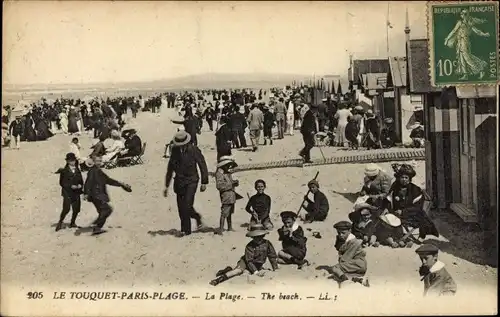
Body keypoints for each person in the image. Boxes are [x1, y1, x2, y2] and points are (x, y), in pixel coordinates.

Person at [164, 131, 209, 236]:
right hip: (179, 181)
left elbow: (202, 164)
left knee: (187, 205)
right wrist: (166, 185)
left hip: (192, 180)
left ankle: (193, 222)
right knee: (181, 206)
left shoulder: (194, 150)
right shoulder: (174, 150)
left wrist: (204, 181)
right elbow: (170, 169)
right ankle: (185, 229)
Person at [209, 224, 279, 286]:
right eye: (255, 237)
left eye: (260, 237)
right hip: (245, 263)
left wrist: (275, 268)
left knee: (246, 274)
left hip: (257, 265)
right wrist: (256, 272)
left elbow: (272, 256)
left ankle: (228, 269)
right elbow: (249, 261)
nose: (258, 239)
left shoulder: (267, 244)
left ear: (263, 235)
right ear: (252, 237)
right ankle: (218, 280)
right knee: (237, 271)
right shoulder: (250, 246)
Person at [386, 164, 439, 241]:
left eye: (406, 178)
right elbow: (389, 199)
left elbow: (418, 207)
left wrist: (403, 211)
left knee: (421, 215)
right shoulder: (395, 187)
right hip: (396, 212)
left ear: (410, 179)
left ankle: (422, 235)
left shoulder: (415, 190)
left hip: (411, 214)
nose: (404, 179)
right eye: (402, 177)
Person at [83, 155, 132, 235]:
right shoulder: (93, 171)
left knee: (102, 211)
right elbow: (88, 182)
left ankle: (96, 225)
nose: (99, 162)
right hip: (97, 195)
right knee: (107, 210)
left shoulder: (98, 170)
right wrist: (86, 193)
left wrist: (120, 184)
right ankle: (97, 227)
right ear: (93, 162)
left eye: (100, 161)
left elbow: (108, 180)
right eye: (97, 161)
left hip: (97, 195)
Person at [331, 221, 369, 287]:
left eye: (343, 233)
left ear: (349, 231)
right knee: (338, 270)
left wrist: (340, 266)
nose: (341, 235)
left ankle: (345, 280)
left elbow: (345, 259)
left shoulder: (353, 242)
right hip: (353, 263)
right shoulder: (343, 240)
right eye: (338, 233)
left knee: (335, 268)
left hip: (358, 264)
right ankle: (357, 279)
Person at [55, 153, 84, 231]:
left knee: (76, 209)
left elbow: (81, 180)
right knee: (66, 208)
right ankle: (60, 222)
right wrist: (70, 186)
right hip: (67, 193)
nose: (73, 162)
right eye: (71, 161)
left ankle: (72, 222)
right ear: (67, 161)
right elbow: (62, 183)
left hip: (76, 192)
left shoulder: (77, 169)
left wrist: (80, 185)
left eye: (74, 160)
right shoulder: (64, 171)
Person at [215, 157, 239, 235]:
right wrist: (232, 184)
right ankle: (221, 229)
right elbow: (220, 186)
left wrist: (234, 183)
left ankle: (229, 227)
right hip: (226, 195)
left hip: (231, 195)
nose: (229, 167)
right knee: (224, 212)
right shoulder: (219, 174)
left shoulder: (227, 173)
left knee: (230, 212)